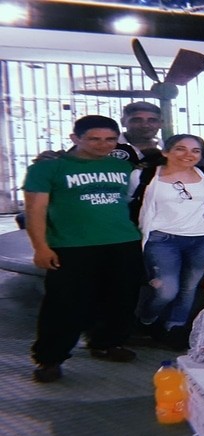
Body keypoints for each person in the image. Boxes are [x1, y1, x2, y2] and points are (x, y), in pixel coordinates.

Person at [23, 115, 142, 383]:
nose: (103, 144)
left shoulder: (122, 166)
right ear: (75, 138)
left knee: (121, 298)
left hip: (122, 242)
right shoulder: (48, 168)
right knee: (65, 303)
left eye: (110, 139)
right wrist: (40, 247)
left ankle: (107, 343)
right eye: (94, 139)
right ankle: (50, 358)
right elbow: (35, 210)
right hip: (71, 246)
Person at [129, 134, 204, 350]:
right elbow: (129, 201)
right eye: (180, 149)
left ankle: (175, 327)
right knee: (166, 289)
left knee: (189, 287)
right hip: (162, 239)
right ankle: (147, 320)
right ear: (166, 152)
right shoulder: (145, 175)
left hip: (202, 238)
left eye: (195, 150)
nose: (188, 155)